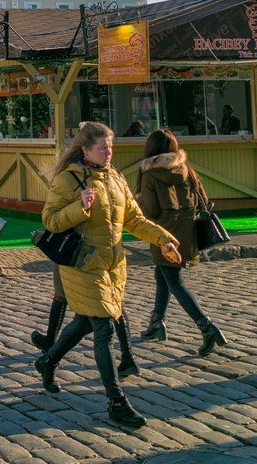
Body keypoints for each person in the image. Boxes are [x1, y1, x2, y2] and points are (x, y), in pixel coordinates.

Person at [35, 121, 181, 429]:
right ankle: (117, 402)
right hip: (83, 265)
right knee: (104, 329)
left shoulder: (115, 178)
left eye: (111, 146)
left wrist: (163, 238)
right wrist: (80, 206)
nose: (109, 152)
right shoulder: (68, 179)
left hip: (113, 266)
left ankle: (47, 361)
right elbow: (50, 221)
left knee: (84, 323)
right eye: (103, 147)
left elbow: (135, 219)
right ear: (86, 150)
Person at [135, 129, 228, 356]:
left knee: (174, 280)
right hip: (187, 233)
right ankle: (156, 323)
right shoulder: (187, 170)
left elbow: (151, 210)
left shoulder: (149, 173)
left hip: (163, 234)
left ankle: (207, 327)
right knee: (163, 275)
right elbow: (203, 201)